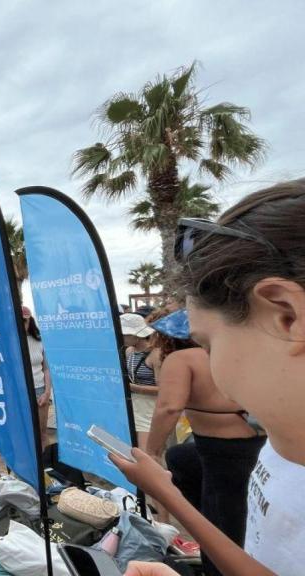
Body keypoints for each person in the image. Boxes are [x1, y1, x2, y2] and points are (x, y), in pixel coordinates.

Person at [112, 180, 305, 576]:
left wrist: (167, 492)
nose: (211, 367)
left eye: (210, 344)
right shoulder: (281, 446)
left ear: (286, 315)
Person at [144, 309, 266, 576]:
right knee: (181, 457)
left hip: (220, 451)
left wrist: (151, 450)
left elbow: (169, 408)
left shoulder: (182, 358)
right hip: (259, 446)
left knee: (224, 525)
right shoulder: (238, 352)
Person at [120, 312, 161, 450]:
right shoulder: (129, 351)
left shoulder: (156, 354)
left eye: (125, 334)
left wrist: (134, 388)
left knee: (147, 454)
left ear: (136, 335)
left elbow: (165, 390)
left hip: (151, 410)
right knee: (135, 452)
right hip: (133, 408)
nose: (121, 336)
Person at [22, 307, 53, 448]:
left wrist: (47, 393)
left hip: (39, 389)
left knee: (42, 432)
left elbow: (46, 369)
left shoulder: (41, 341)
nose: (21, 324)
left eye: (24, 321)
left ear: (30, 321)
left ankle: (44, 465)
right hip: (20, 392)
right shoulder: (9, 342)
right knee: (24, 432)